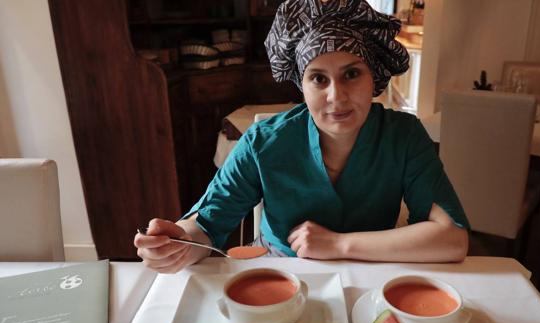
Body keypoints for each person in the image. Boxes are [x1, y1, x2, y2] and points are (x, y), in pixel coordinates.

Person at [134, 0, 469, 273]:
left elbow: (452, 238)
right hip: (277, 273)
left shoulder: (404, 136)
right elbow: (206, 225)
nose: (336, 97)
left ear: (375, 78)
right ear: (301, 84)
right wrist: (178, 246)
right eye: (319, 79)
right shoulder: (263, 142)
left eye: (351, 74)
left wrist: (339, 244)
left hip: (370, 273)